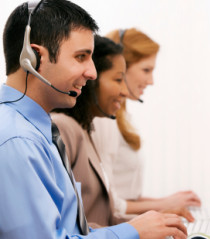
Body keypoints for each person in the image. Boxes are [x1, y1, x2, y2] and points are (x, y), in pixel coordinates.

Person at [0, 1, 187, 239]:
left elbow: (70, 230)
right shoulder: (17, 140)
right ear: (35, 58)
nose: (92, 73)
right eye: (80, 57)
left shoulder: (40, 131)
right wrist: (133, 232)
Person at [52, 35, 194, 227]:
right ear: (91, 79)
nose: (125, 91)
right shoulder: (64, 128)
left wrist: (155, 219)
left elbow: (105, 215)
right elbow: (68, 226)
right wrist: (139, 227)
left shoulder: (84, 128)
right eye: (119, 79)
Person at [92, 28, 201, 218]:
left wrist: (165, 202)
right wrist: (163, 204)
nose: (151, 81)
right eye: (146, 70)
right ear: (122, 66)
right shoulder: (103, 120)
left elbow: (124, 197)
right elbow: (109, 203)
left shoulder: (121, 117)